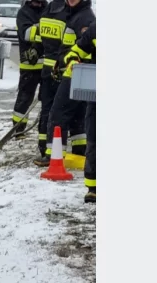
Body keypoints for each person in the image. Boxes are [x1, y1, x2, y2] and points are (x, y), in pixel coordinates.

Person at [33, 0, 93, 166]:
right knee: (78, 114)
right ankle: (80, 149)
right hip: (74, 73)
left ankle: (53, 155)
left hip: (75, 74)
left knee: (58, 113)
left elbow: (86, 47)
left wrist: (71, 62)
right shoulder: (74, 14)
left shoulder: (84, 18)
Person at [63, 19, 96, 203]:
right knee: (94, 140)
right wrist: (73, 59)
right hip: (98, 96)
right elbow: (77, 50)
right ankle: (93, 188)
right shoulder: (96, 29)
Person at [11, 0, 47, 133]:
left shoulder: (48, 9)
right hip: (30, 66)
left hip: (48, 65)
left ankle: (44, 129)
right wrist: (45, 28)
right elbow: (26, 34)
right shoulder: (24, 13)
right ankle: (18, 130)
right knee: (24, 99)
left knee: (47, 100)